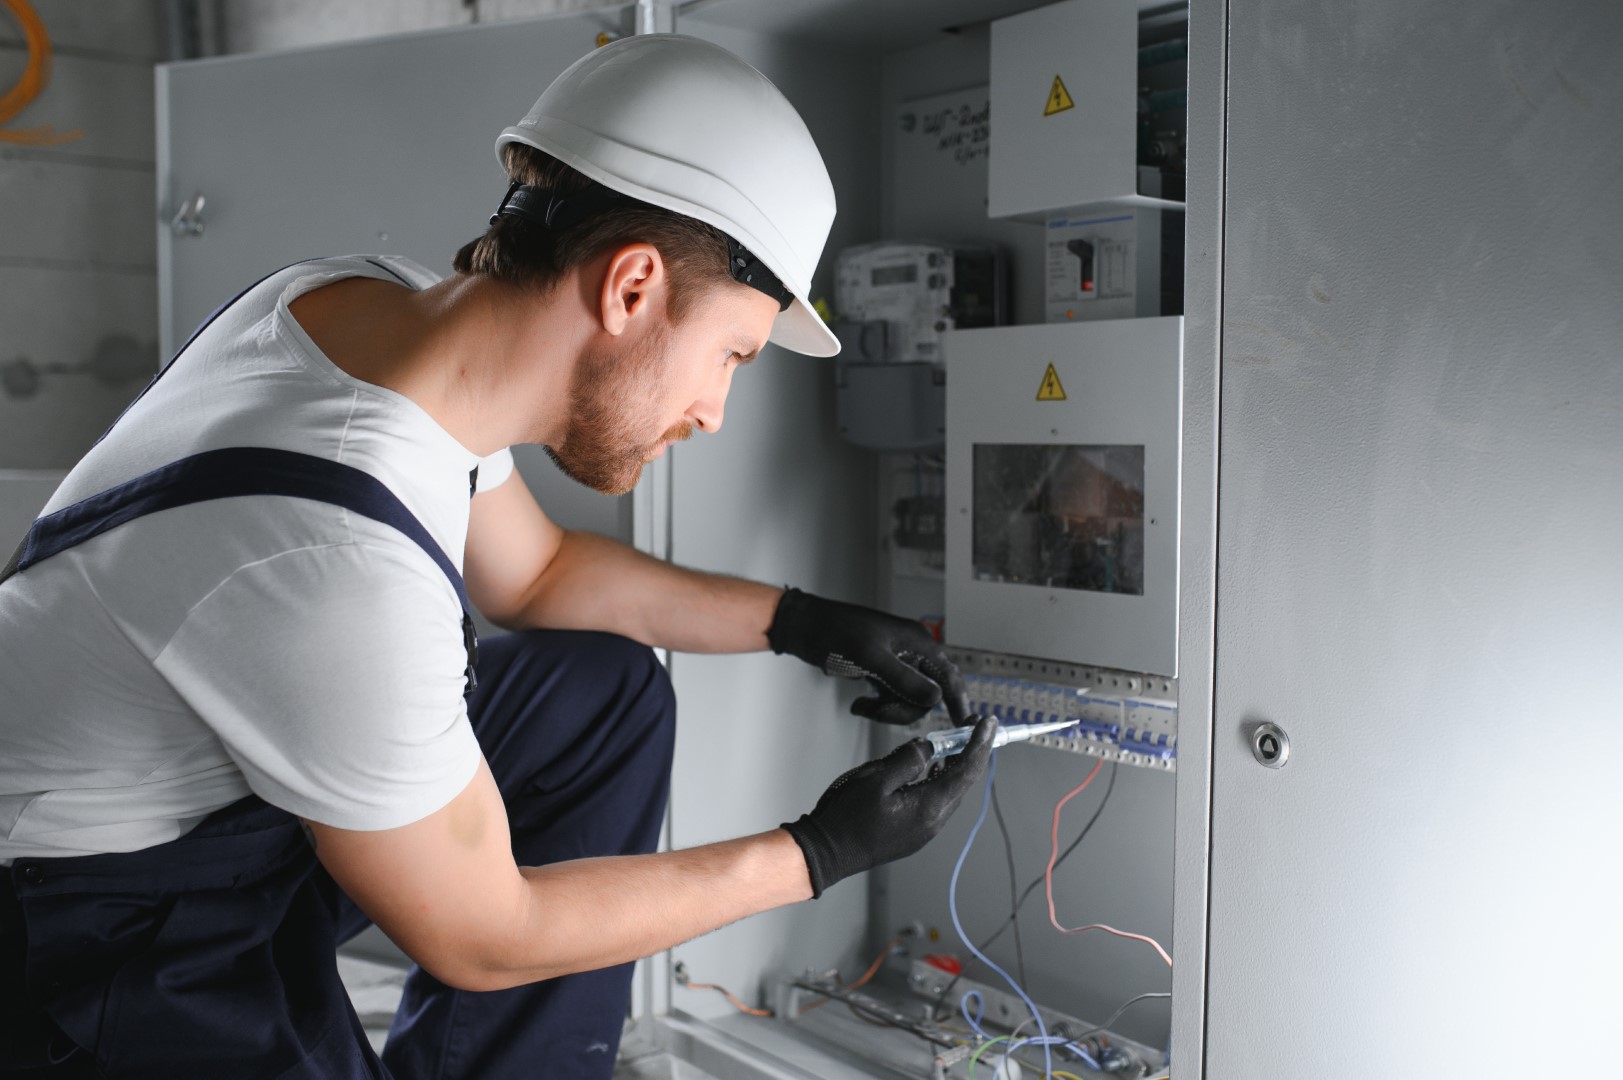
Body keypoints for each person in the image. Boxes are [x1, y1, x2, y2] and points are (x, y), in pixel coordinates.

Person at [0, 33, 993, 1080]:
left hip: (215, 799)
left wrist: (803, 624)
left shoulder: (367, 307)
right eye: (731, 356)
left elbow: (540, 577)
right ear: (633, 288)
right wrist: (816, 854)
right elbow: (483, 936)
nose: (711, 412)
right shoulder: (338, 565)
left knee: (599, 697)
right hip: (99, 927)